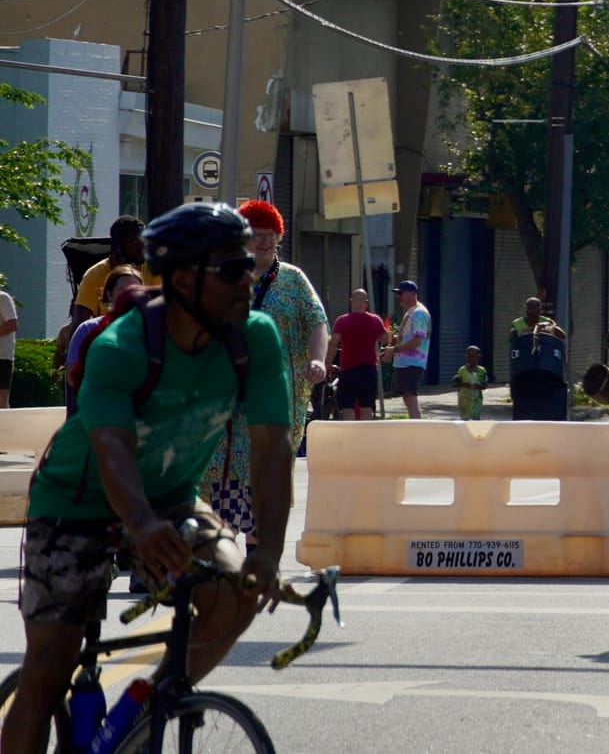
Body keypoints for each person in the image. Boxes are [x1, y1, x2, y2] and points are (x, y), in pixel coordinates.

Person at [3, 203, 291, 753]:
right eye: (232, 268)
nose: (248, 278)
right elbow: (111, 448)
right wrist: (138, 522)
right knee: (48, 671)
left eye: (249, 264)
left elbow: (273, 449)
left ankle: (140, 719)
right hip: (75, 501)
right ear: (184, 279)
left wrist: (268, 551)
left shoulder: (255, 337)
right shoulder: (123, 347)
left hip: (172, 498)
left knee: (236, 591)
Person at [204, 200, 326, 541]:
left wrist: (317, 359)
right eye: (256, 234)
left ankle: (257, 571)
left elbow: (317, 321)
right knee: (224, 485)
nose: (264, 241)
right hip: (227, 405)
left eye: (270, 234)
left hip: (274, 402)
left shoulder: (293, 280)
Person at [63, 266, 147, 415]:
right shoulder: (88, 329)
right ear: (109, 294)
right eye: (123, 291)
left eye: (136, 291)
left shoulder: (149, 330)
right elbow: (72, 377)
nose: (130, 296)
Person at [70, 214, 159, 325]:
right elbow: (78, 322)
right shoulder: (94, 275)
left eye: (144, 241)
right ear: (119, 245)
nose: (142, 247)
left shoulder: (154, 270)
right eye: (135, 242)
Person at [329, 288, 388, 421]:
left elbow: (333, 343)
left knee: (347, 408)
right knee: (367, 407)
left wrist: (327, 363)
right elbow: (385, 338)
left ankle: (350, 437)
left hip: (348, 370)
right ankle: (366, 438)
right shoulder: (375, 320)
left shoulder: (342, 320)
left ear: (351, 303)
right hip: (369, 370)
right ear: (366, 304)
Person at [388, 280, 431, 419]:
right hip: (405, 361)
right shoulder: (409, 312)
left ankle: (417, 427)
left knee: (410, 396)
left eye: (401, 293)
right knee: (407, 397)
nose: (398, 297)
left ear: (412, 294)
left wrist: (394, 349)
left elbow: (418, 340)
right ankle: (415, 423)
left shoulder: (419, 313)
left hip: (412, 362)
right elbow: (408, 335)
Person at [455, 346, 489, 420]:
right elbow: (455, 383)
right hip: (464, 400)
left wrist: (478, 386)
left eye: (474, 356)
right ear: (466, 357)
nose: (471, 359)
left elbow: (485, 385)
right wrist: (465, 384)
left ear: (478, 357)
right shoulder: (462, 370)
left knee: (476, 420)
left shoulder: (482, 371)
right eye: (469, 356)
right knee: (464, 420)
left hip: (477, 400)